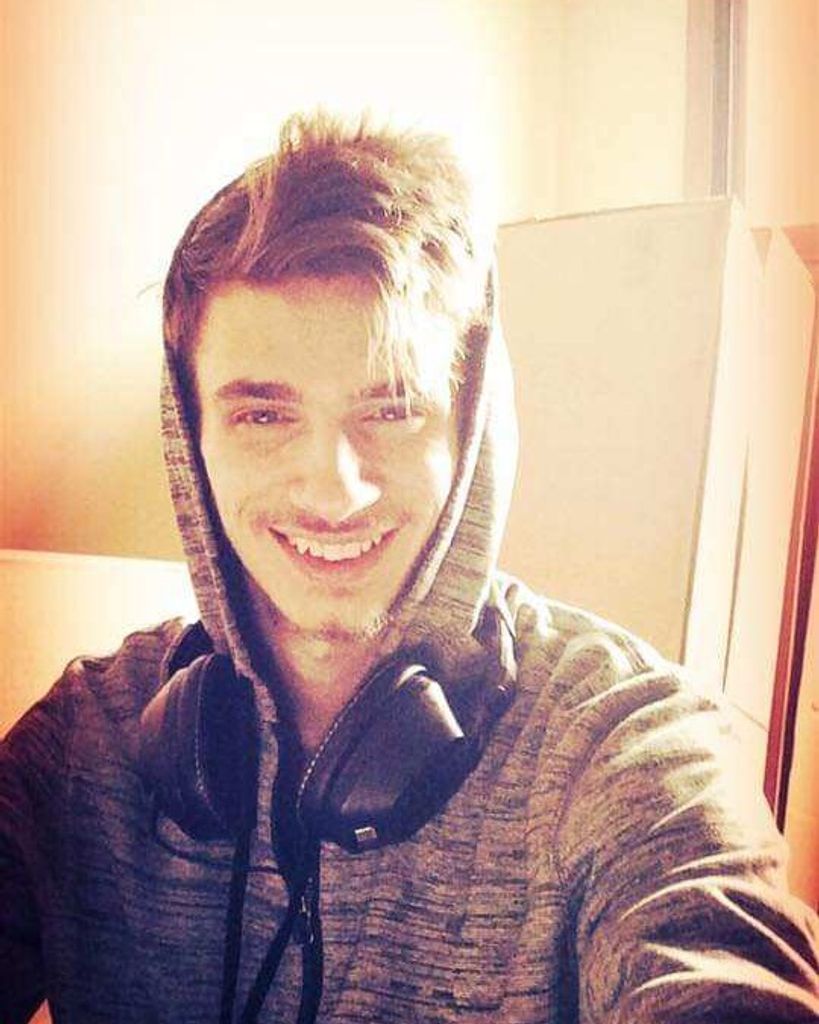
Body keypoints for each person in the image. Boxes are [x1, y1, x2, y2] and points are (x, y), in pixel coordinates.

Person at [1, 110, 818, 1024]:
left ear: (469, 433)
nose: (333, 490)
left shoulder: (626, 747)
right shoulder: (87, 740)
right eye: (263, 415)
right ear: (191, 441)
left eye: (391, 410)